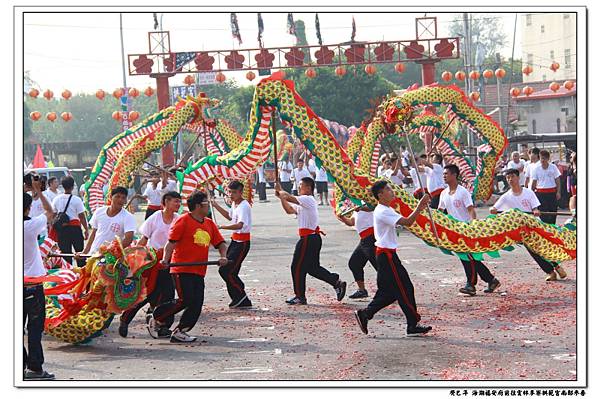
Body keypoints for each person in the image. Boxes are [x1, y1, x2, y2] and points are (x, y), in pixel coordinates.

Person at [354, 181, 432, 336]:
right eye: (387, 190)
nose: (391, 191)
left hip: (388, 255)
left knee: (390, 292)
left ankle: (367, 314)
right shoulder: (383, 211)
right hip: (386, 256)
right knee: (403, 289)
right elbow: (408, 221)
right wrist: (420, 205)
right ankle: (412, 323)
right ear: (380, 195)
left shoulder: (385, 209)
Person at [150, 191, 228, 343]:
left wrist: (223, 256)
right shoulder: (183, 221)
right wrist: (166, 260)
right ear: (198, 206)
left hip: (199, 270)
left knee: (197, 303)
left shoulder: (209, 223)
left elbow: (221, 243)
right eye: (206, 203)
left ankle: (180, 331)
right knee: (185, 299)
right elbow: (171, 243)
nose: (208, 206)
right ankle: (157, 316)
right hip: (181, 268)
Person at [118, 191, 182, 339]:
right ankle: (125, 318)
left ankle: (163, 325)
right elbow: (143, 239)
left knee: (168, 295)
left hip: (169, 262)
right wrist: (133, 257)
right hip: (152, 262)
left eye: (179, 202)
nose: (178, 204)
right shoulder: (155, 217)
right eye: (175, 201)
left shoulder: (179, 219)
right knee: (146, 294)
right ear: (166, 202)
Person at [275, 177, 346, 305]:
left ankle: (300, 296)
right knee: (312, 268)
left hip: (309, 238)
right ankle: (336, 282)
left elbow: (288, 196)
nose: (298, 187)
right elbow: (289, 210)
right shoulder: (303, 202)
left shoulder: (307, 199)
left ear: (308, 188)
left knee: (296, 267)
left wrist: (280, 191)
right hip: (311, 238)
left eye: (301, 185)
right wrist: (281, 197)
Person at [490, 168, 567, 281]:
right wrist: (493, 209)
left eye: (512, 176)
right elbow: (495, 207)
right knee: (534, 252)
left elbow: (535, 207)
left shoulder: (528, 192)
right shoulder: (507, 196)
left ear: (518, 177)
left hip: (534, 226)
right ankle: (551, 272)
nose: (510, 179)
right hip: (522, 230)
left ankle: (556, 266)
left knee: (543, 248)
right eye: (508, 177)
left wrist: (535, 210)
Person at [438, 164, 501, 296]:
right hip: (453, 230)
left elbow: (471, 209)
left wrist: (473, 225)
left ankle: (471, 285)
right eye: (443, 174)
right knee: (471, 258)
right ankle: (491, 280)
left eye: (446, 174)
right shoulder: (443, 193)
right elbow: (440, 211)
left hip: (465, 229)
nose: (444, 176)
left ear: (454, 175)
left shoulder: (462, 192)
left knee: (468, 257)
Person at [23, 180, 55, 380]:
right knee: (34, 329)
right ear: (28, 208)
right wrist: (38, 192)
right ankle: (35, 369)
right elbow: (50, 212)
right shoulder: (31, 225)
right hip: (32, 285)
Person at [211, 180, 253, 308]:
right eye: (229, 192)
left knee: (227, 271)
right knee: (228, 270)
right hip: (235, 241)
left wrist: (222, 227)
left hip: (242, 243)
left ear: (241, 192)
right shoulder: (235, 204)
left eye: (234, 192)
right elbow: (230, 217)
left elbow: (240, 224)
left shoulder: (244, 206)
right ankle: (238, 295)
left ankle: (241, 296)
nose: (231, 195)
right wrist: (216, 205)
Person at [80, 186, 136, 256]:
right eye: (117, 196)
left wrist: (111, 252)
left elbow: (128, 239)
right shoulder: (99, 211)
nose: (120, 200)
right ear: (110, 197)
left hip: (111, 258)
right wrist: (85, 252)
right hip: (94, 254)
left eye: (123, 198)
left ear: (125, 201)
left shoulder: (128, 217)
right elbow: (93, 233)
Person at [336, 207, 377, 299]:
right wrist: (342, 217)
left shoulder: (369, 202)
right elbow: (351, 222)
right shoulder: (357, 206)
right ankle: (362, 290)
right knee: (354, 263)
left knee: (380, 266)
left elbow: (372, 207)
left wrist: (361, 207)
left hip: (372, 237)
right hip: (364, 239)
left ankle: (393, 291)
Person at [52, 176, 89, 267]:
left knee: (65, 254)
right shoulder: (76, 200)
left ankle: (68, 274)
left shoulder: (57, 199)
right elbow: (81, 216)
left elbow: (53, 215)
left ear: (62, 186)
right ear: (72, 187)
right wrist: (86, 230)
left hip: (62, 230)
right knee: (80, 253)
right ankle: (81, 274)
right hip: (75, 229)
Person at [531, 150, 561, 224]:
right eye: (541, 158)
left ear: (548, 159)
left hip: (552, 193)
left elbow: (557, 180)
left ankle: (553, 228)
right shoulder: (536, 169)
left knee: (553, 212)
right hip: (541, 193)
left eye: (544, 158)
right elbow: (534, 183)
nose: (542, 160)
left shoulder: (553, 167)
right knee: (543, 214)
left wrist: (558, 192)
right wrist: (532, 194)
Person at [567, 152, 576, 216]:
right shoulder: (570, 166)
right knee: (573, 197)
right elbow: (568, 177)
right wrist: (568, 186)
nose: (571, 158)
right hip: (572, 184)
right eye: (570, 157)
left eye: (572, 157)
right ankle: (574, 210)